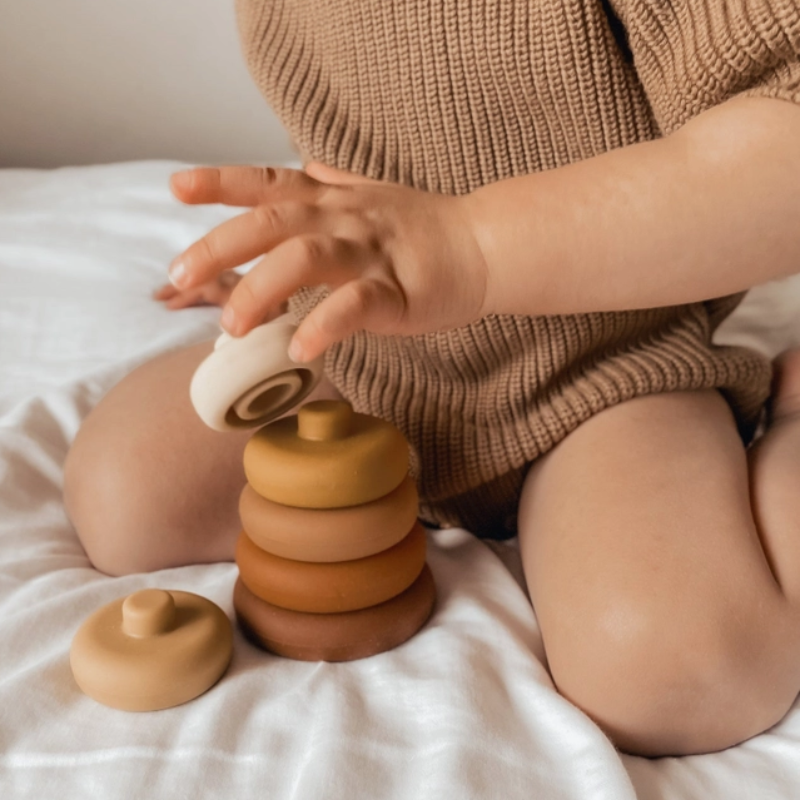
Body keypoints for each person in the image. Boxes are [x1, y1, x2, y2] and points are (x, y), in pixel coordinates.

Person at [63, 0, 800, 757]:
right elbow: (394, 119)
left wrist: (474, 246)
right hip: (369, 343)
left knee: (676, 677)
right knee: (125, 496)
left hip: (605, 353)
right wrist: (311, 248)